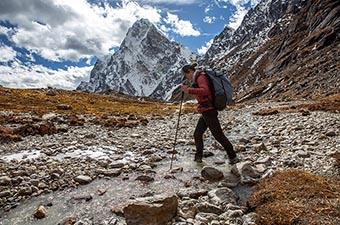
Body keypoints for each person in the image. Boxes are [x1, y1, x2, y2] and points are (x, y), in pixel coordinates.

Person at [180, 63, 239, 164]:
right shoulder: (198, 77)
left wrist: (188, 90)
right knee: (197, 134)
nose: (187, 78)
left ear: (190, 71)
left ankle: (233, 156)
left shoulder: (200, 77)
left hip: (209, 110)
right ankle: (198, 158)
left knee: (218, 135)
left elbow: (205, 90)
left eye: (186, 75)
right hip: (205, 110)